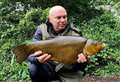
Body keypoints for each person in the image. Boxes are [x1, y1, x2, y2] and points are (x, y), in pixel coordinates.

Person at [27, 5, 87, 82]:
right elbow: (30, 54)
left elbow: (83, 64)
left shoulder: (76, 34)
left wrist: (82, 63)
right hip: (48, 67)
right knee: (34, 68)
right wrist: (37, 60)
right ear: (49, 19)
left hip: (69, 70)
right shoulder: (41, 30)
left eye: (64, 17)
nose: (62, 20)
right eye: (58, 18)